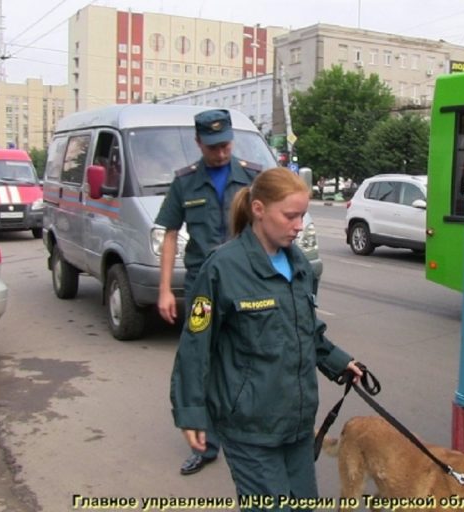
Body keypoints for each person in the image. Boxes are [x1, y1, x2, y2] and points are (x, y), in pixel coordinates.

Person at [170, 167, 364, 510]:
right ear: (258, 209)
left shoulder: (300, 264)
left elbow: (305, 329)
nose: (299, 225)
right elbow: (195, 347)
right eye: (290, 215)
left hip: (297, 423)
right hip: (250, 428)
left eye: (302, 215)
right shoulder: (221, 268)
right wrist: (191, 412)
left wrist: (339, 362)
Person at [155, 108, 263, 476]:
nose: (221, 152)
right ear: (199, 143)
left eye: (226, 144)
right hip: (202, 288)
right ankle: (207, 444)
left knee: (250, 356)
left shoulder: (252, 177)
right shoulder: (184, 183)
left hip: (245, 284)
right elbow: (169, 233)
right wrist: (165, 289)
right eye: (213, 146)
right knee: (201, 360)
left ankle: (251, 432)